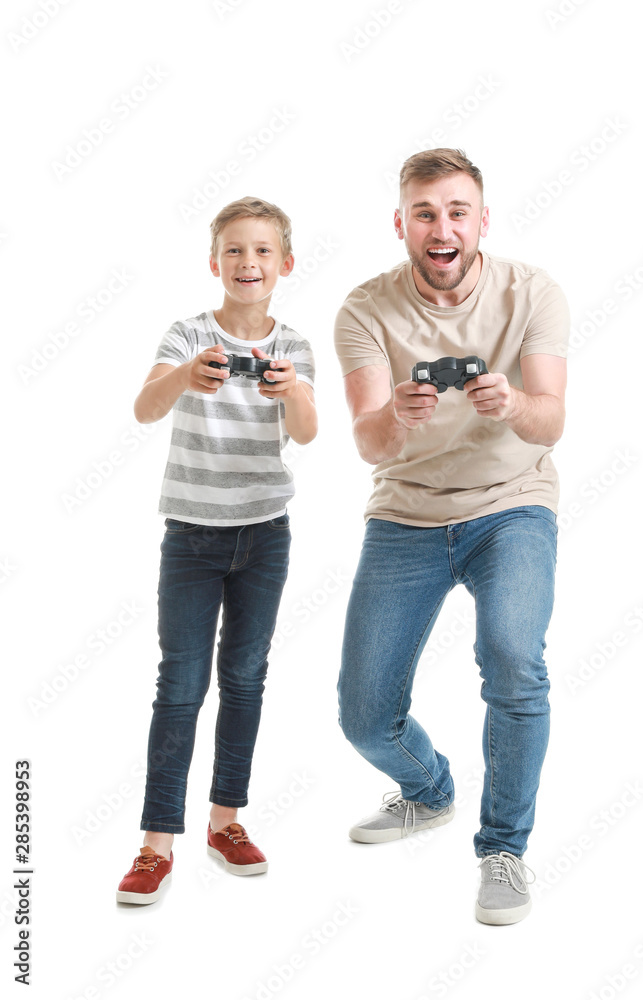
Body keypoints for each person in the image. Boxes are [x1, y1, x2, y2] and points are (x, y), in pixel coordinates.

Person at [333, 149, 569, 925]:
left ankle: (503, 849)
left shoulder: (531, 291)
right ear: (401, 225)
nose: (443, 228)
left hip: (512, 503)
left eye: (456, 212)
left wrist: (511, 406)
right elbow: (367, 444)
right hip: (407, 511)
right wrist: (394, 421)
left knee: (512, 655)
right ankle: (428, 789)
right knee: (364, 716)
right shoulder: (364, 309)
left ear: (481, 220)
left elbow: (552, 421)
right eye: (426, 214)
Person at [116, 197, 317, 905]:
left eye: (262, 251)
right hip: (192, 536)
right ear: (215, 263)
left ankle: (226, 821)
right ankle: (155, 841)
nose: (248, 263)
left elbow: (312, 431)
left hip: (265, 534)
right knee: (180, 683)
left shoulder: (292, 345)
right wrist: (185, 377)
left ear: (284, 264)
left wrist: (291, 391)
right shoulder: (188, 334)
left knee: (246, 678)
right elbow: (144, 407)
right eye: (234, 250)